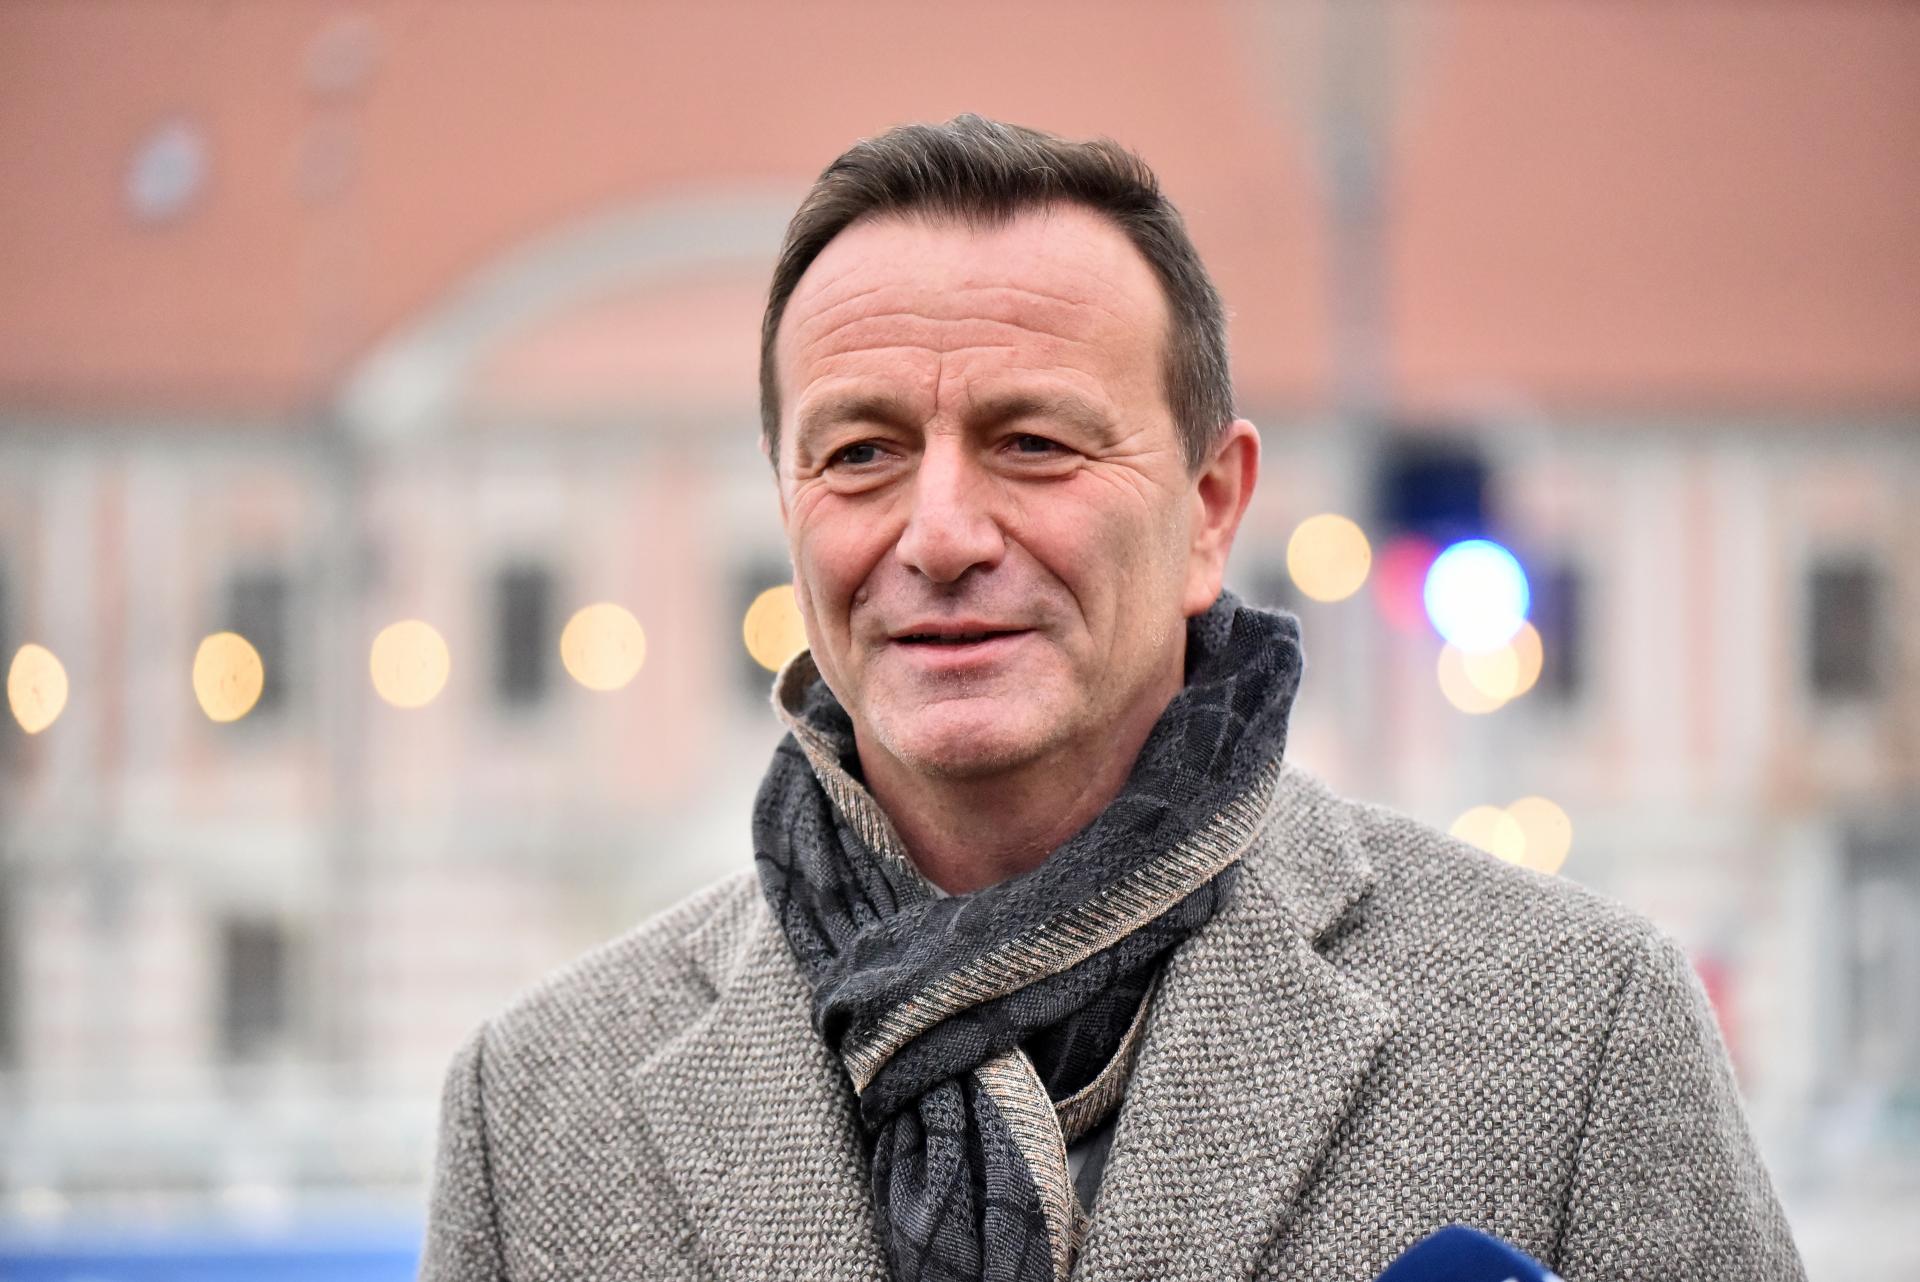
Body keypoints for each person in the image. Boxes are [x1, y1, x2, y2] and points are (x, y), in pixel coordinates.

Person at [419, 116, 1805, 1282]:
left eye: (1033, 442)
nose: (940, 533)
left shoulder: (1573, 1031)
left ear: (1211, 509)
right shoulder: (533, 1117)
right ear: (790, 508)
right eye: (861, 452)